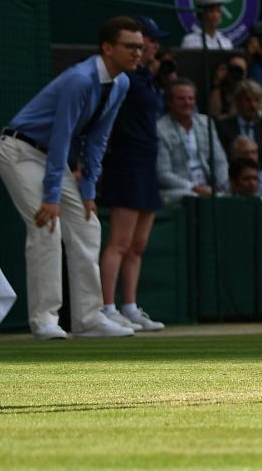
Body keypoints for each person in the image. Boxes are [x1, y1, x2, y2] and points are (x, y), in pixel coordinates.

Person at [0, 17, 142, 340]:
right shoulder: (80, 80)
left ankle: (89, 318)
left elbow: (98, 139)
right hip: (20, 151)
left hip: (51, 160)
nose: (137, 54)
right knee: (47, 225)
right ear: (107, 48)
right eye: (130, 47)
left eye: (140, 48)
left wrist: (88, 188)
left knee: (88, 224)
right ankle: (45, 320)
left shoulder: (121, 84)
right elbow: (62, 136)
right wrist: (51, 195)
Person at [95, 17, 174, 333]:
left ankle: (128, 306)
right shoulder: (124, 78)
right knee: (119, 242)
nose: (151, 47)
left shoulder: (145, 77)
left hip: (147, 164)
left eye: (151, 43)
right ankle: (107, 307)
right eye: (147, 42)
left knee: (138, 244)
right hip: (125, 163)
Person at [155, 77, 229, 202]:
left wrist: (220, 185)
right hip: (180, 188)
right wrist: (194, 187)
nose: (187, 103)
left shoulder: (206, 123)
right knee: (193, 198)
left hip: (209, 186)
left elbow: (219, 160)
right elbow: (163, 173)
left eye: (190, 98)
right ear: (169, 102)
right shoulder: (159, 128)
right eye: (181, 99)